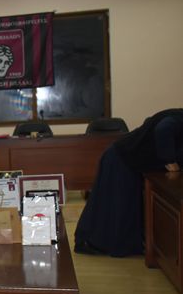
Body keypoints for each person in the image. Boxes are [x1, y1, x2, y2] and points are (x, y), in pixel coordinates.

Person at [75, 109, 183, 257]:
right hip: (120, 160)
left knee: (124, 207)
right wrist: (170, 161)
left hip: (128, 162)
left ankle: (110, 243)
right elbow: (163, 129)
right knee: (112, 206)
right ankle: (93, 242)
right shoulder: (177, 119)